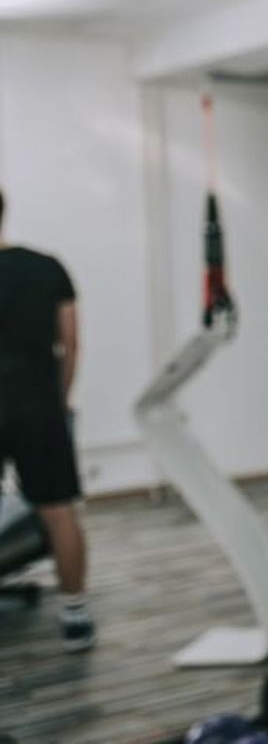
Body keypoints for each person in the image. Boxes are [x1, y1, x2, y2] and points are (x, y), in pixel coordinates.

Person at [0, 188, 92, 652]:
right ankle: (75, 614)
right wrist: (59, 400)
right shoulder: (47, 267)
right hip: (39, 401)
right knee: (59, 511)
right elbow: (70, 342)